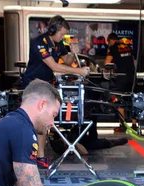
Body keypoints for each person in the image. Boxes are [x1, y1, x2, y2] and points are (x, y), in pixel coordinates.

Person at [21, 15, 90, 169]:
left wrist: (72, 52)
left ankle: (40, 156)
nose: (62, 36)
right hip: (32, 86)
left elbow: (65, 61)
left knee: (44, 121)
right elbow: (55, 67)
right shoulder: (40, 43)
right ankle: (29, 155)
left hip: (46, 86)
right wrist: (79, 71)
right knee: (32, 122)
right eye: (61, 33)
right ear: (52, 30)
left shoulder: (59, 44)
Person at [105, 32, 136, 133]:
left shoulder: (113, 48)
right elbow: (132, 60)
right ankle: (134, 124)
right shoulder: (128, 47)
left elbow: (107, 63)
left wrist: (106, 71)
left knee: (119, 100)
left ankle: (123, 125)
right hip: (132, 77)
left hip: (121, 77)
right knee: (132, 100)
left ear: (110, 41)